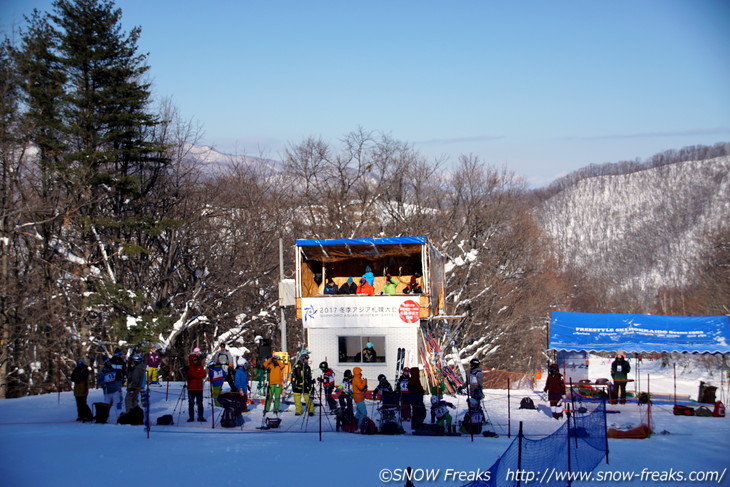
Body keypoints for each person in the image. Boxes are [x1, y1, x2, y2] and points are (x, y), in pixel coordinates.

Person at [184, 351, 207, 422]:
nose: (195, 361)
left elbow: (203, 374)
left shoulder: (200, 367)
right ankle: (191, 417)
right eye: (194, 360)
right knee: (191, 404)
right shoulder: (189, 368)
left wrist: (196, 376)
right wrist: (196, 376)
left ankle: (200, 416)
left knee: (200, 403)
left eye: (196, 360)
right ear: (191, 360)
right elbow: (189, 376)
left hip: (199, 388)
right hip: (191, 388)